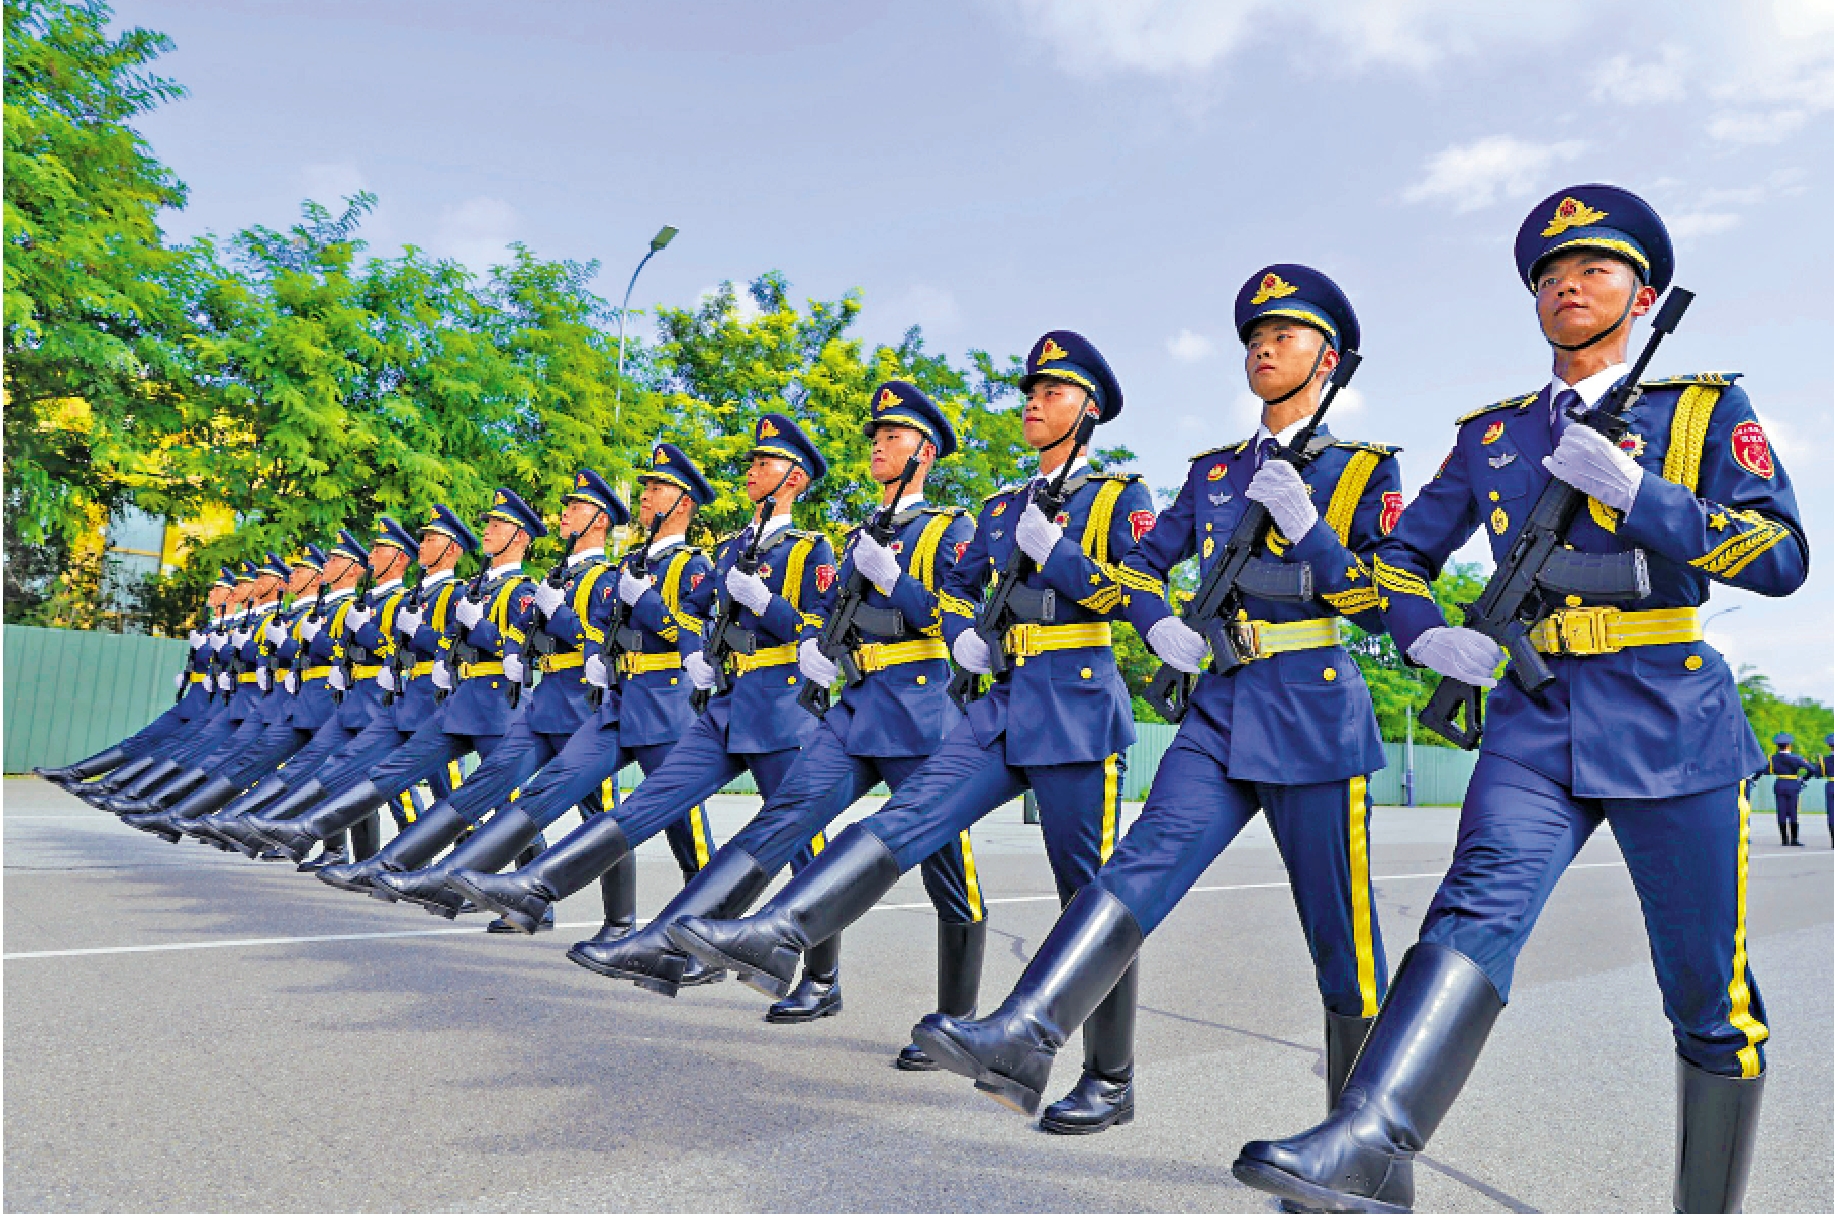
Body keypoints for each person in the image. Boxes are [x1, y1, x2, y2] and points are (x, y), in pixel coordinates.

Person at [1232, 184, 1808, 1214]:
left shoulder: (1701, 409)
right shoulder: (1496, 435)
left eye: (1592, 269)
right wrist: (1423, 629)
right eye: (1549, 274)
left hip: (1669, 713)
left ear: (1644, 294)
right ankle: (1368, 1135)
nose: (1568, 286)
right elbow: (1399, 556)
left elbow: (1781, 556)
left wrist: (1643, 496)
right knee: (1473, 904)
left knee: (1704, 994)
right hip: (1535, 712)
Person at [913, 267, 1400, 1129]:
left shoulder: (1362, 471)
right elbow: (1138, 566)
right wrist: (1156, 622)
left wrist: (1311, 527)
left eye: (1282, 336)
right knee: (1138, 865)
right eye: (1254, 335)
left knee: (1342, 942)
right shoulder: (1213, 474)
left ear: (1326, 360)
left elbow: (1381, 599)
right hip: (1221, 705)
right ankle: (1027, 1033)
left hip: (1316, 709)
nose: (1261, 346)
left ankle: (1364, 1144)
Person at [672, 331, 1156, 1131]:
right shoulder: (1001, 509)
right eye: (1029, 389)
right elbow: (958, 595)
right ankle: (781, 934)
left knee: (1089, 896)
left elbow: (1134, 593)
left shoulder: (1115, 499)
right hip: (1001, 697)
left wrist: (1059, 560)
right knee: (906, 818)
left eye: (1054, 391)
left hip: (1074, 697)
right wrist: (964, 629)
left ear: (1091, 409)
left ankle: (1109, 1077)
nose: (1034, 401)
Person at [566, 382, 988, 1056]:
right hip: (847, 705)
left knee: (944, 868)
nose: (879, 443)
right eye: (875, 434)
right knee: (793, 830)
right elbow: (822, 628)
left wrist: (795, 606)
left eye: (895, 435)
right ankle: (794, 970)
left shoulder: (945, 529)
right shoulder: (837, 540)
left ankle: (953, 1019)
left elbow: (958, 624)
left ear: (926, 451)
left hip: (922, 711)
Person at [443, 419, 840, 1004]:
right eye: (752, 460)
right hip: (726, 701)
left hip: (782, 706)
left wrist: (764, 604)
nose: (752, 468)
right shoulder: (727, 549)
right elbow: (700, 627)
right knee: (653, 804)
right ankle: (566, 899)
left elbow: (814, 627)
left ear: (796, 478)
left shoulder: (811, 549)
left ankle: (821, 978)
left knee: (802, 843)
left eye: (767, 462)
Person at [368, 443, 723, 936]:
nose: (645, 497)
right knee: (570, 808)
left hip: (662, 702)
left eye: (656, 489)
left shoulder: (686, 566)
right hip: (601, 701)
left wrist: (570, 616)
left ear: (681, 503)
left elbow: (686, 632)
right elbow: (589, 635)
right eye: (643, 488)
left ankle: (681, 926)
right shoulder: (612, 570)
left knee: (681, 829)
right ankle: (511, 894)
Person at [316, 470, 641, 938]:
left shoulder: (605, 579)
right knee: (509, 796)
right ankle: (482, 890)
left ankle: (620, 922)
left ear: (599, 519)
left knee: (603, 815)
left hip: (586, 706)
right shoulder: (553, 579)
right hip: (545, 701)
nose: (566, 511)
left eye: (576, 506)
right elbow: (522, 642)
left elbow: (600, 640)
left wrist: (546, 619)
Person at [243, 491, 544, 863]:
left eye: (499, 526)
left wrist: (457, 630)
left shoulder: (520, 592)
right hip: (454, 699)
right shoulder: (472, 590)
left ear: (521, 537)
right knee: (391, 775)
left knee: (504, 801)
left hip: (498, 703)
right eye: (489, 524)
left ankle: (525, 895)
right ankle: (393, 861)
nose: (489, 531)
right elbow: (445, 645)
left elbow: (519, 648)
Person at [210, 509, 473, 859]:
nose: (372, 556)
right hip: (391, 693)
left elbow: (452, 645)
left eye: (430, 539)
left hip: (430, 696)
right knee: (367, 776)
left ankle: (440, 863)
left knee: (448, 791)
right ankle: (384, 860)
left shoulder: (448, 594)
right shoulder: (404, 598)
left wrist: (366, 637)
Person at [39, 564, 239, 791]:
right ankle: (78, 774)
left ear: (231, 595)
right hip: (195, 697)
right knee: (143, 739)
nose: (211, 594)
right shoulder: (210, 626)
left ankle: (123, 789)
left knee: (175, 750)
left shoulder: (236, 627)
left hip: (215, 701)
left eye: (218, 589)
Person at [1760, 732, 1815, 847]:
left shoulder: (1773, 758)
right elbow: (1812, 770)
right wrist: (1803, 779)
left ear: (1777, 746)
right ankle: (1794, 839)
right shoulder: (1796, 758)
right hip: (1793, 785)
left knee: (1781, 811)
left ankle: (1784, 839)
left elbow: (1764, 770)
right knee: (1793, 811)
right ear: (1789, 745)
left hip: (1779, 784)